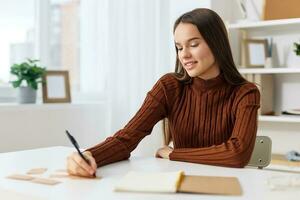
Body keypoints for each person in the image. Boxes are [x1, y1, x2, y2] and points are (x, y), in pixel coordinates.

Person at [66, 8, 260, 177]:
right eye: (179, 47)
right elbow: (128, 138)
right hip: (179, 183)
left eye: (193, 44)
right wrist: (89, 156)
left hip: (226, 188)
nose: (184, 54)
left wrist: (174, 154)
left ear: (217, 44)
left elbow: (237, 154)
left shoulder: (246, 93)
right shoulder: (170, 86)